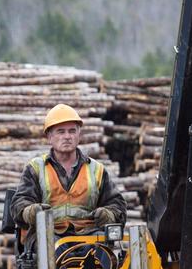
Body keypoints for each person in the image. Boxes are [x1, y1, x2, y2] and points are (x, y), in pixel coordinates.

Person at [10, 103, 126, 244]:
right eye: (61, 131)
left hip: (90, 235)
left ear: (79, 135)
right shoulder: (36, 168)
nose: (67, 136)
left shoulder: (97, 170)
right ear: (49, 137)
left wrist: (108, 214)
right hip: (48, 235)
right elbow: (19, 203)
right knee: (51, 248)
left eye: (72, 131)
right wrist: (30, 211)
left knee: (104, 255)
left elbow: (117, 205)